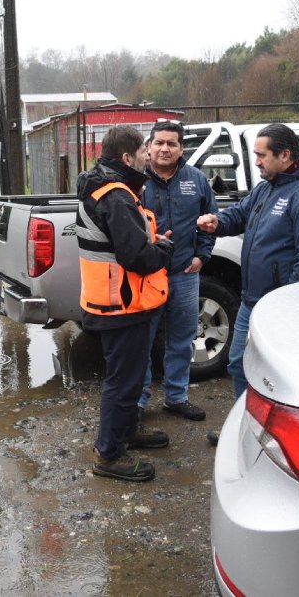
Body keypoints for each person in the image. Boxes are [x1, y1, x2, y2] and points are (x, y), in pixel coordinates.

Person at [197, 124, 299, 398]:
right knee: (239, 365)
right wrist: (217, 222)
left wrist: (284, 305)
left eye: (261, 155)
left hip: (279, 308)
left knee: (274, 376)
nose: (257, 161)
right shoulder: (266, 188)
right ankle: (245, 419)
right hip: (251, 300)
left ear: (284, 155)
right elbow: (239, 214)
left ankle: (269, 422)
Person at [77, 125, 175, 482]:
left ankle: (126, 431)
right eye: (144, 151)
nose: (149, 156)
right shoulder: (116, 195)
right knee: (123, 382)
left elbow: (124, 244)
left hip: (114, 302)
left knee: (129, 380)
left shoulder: (102, 185)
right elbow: (137, 257)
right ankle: (109, 454)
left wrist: (149, 242)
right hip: (120, 305)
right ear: (127, 157)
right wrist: (162, 249)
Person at [135, 121, 217, 423]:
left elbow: (211, 218)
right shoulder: (135, 180)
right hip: (147, 276)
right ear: (148, 147)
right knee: (141, 341)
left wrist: (202, 256)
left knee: (182, 339)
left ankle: (176, 397)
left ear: (182, 148)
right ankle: (138, 401)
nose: (164, 148)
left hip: (184, 272)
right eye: (159, 143)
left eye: (171, 143)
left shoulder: (196, 180)